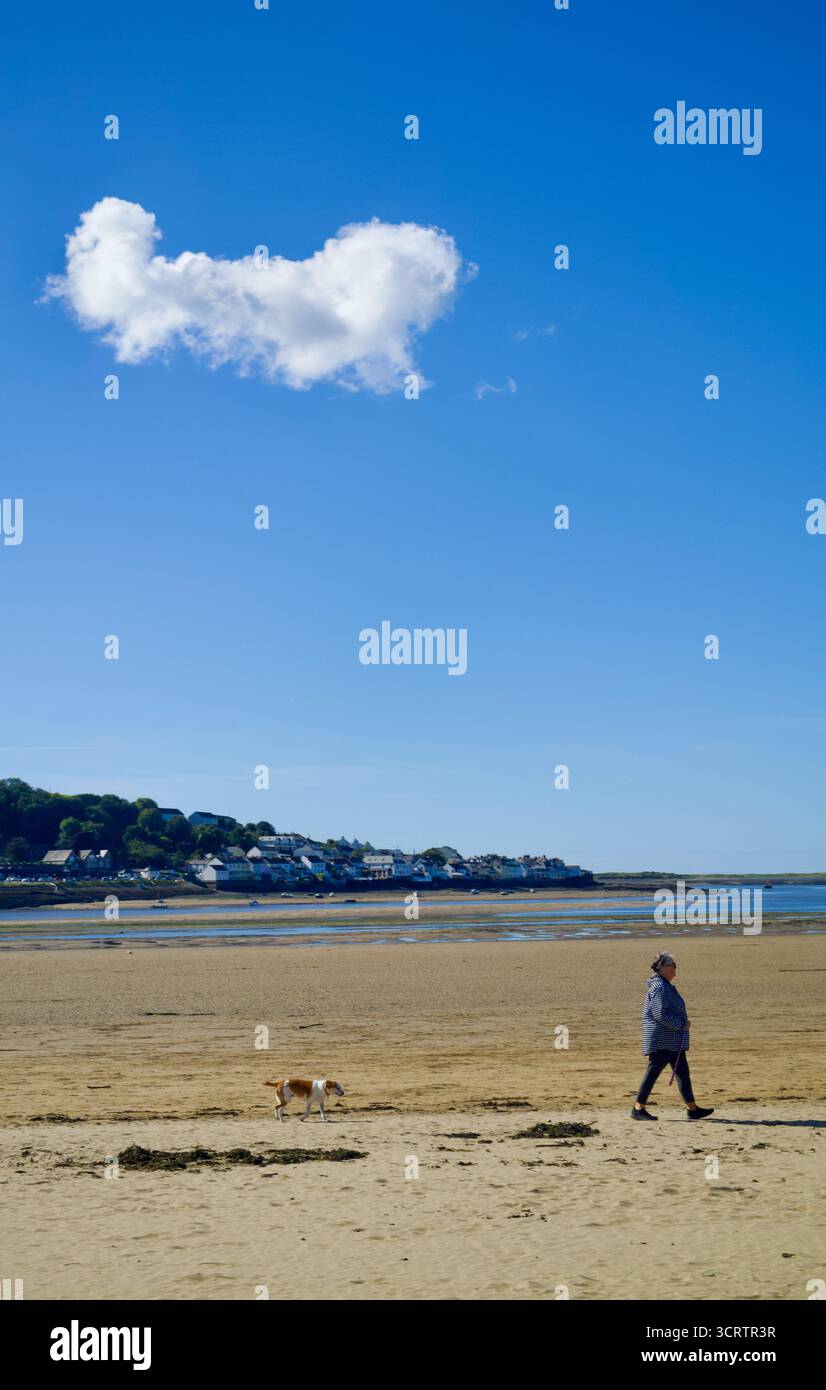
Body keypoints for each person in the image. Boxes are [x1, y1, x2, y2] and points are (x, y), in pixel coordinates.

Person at [632, 952, 714, 1121]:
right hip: (662, 1039)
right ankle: (638, 1108)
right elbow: (659, 1014)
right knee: (653, 1072)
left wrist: (681, 1025)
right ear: (662, 968)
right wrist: (681, 1024)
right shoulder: (659, 987)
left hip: (673, 1040)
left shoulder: (665, 986)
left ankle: (692, 1108)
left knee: (682, 1073)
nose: (675, 968)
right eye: (672, 965)